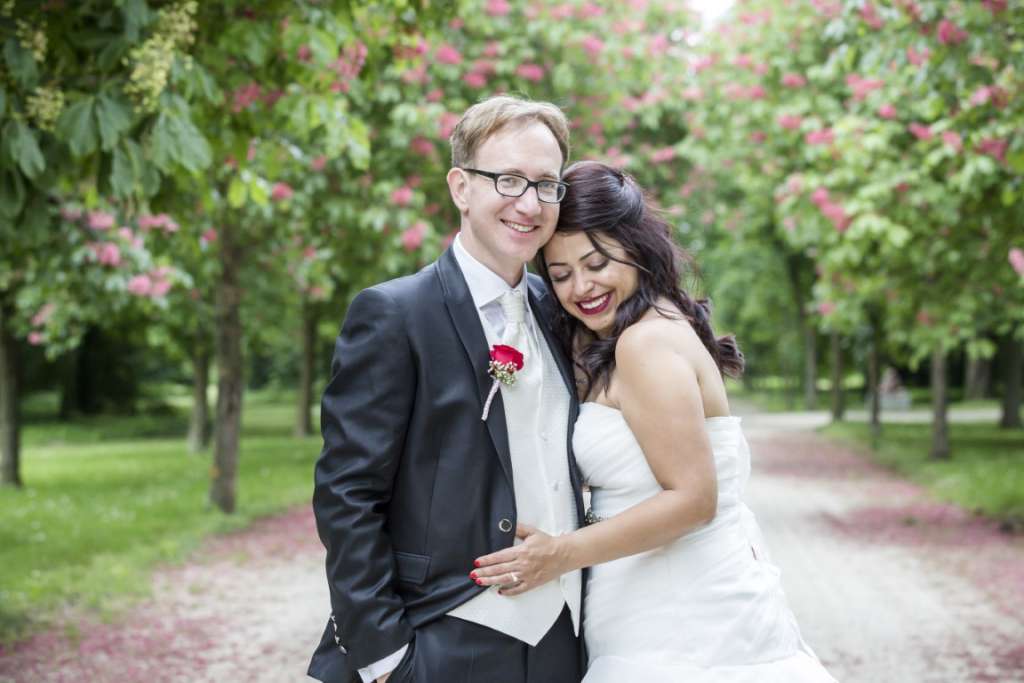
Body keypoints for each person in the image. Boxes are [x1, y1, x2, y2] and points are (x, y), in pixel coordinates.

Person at [471, 161, 837, 682]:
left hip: (686, 618)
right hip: (657, 602)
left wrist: (557, 556)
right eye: (560, 274)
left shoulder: (645, 343)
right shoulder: (626, 334)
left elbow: (693, 499)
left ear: (637, 252)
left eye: (597, 263)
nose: (581, 287)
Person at [308, 96, 586, 683]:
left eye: (546, 184)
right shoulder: (393, 313)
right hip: (442, 632)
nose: (530, 204)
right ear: (461, 187)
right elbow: (347, 494)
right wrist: (386, 659)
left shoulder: (561, 310)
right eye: (508, 179)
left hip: (563, 634)